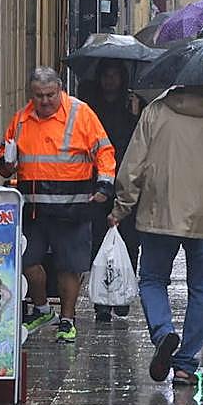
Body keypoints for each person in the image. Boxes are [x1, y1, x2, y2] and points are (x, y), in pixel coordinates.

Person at [110, 85, 203, 386]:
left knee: (152, 280)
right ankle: (185, 366)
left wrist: (122, 206)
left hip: (158, 213)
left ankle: (164, 332)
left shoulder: (155, 112)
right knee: (202, 290)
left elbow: (133, 165)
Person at [0, 67, 116, 344]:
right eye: (39, 96)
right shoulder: (22, 119)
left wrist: (104, 186)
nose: (45, 101)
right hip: (33, 208)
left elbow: (105, 151)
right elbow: (4, 160)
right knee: (25, 261)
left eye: (50, 95)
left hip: (71, 207)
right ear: (31, 94)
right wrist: (6, 163)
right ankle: (41, 309)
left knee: (69, 266)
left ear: (60, 89)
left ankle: (67, 319)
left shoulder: (80, 113)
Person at [81, 59, 140, 321]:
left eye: (115, 75)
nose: (110, 81)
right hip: (97, 180)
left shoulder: (134, 105)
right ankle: (102, 301)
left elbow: (140, 139)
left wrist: (136, 113)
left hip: (128, 178)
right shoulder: (89, 108)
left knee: (129, 239)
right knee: (98, 238)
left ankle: (123, 293)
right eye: (106, 75)